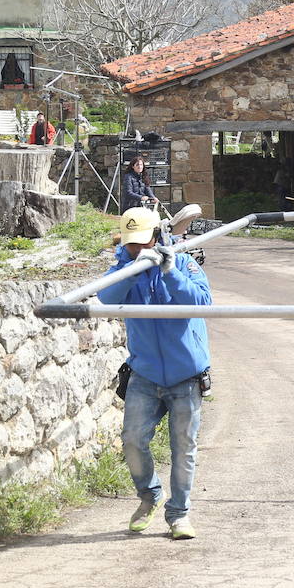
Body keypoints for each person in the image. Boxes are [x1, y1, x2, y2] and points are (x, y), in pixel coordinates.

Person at [98, 206, 212, 540]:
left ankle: (179, 515)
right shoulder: (123, 267)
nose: (139, 249)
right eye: (132, 243)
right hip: (144, 373)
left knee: (184, 448)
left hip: (186, 375)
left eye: (144, 242)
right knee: (132, 442)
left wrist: (171, 271)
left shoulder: (184, 262)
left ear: (157, 237)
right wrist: (132, 269)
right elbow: (106, 298)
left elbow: (203, 302)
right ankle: (150, 496)